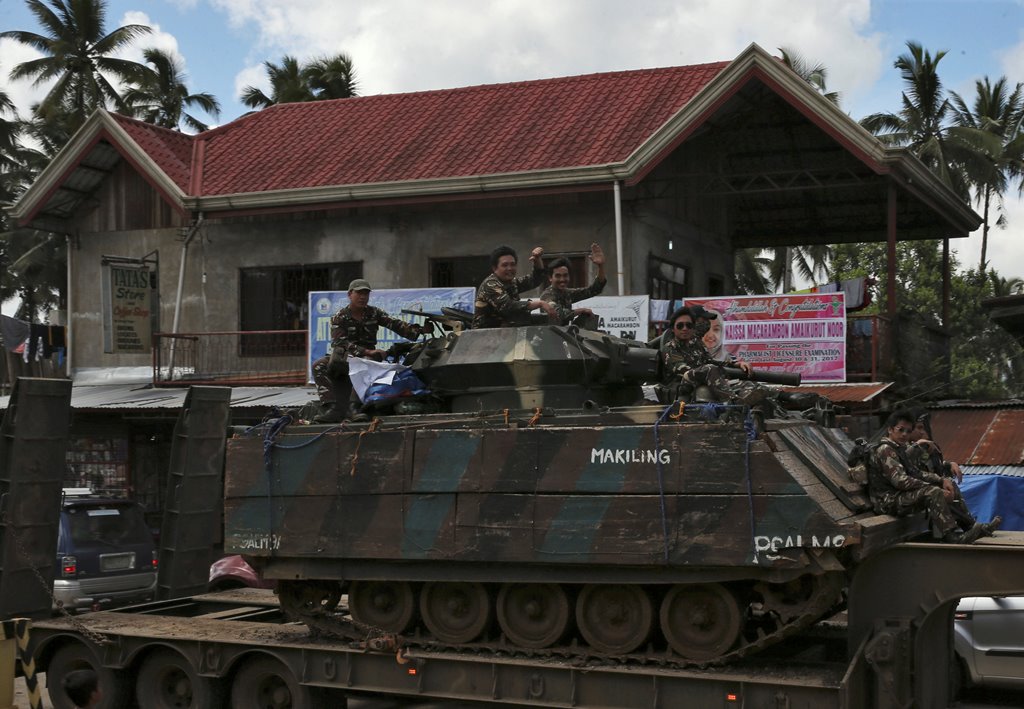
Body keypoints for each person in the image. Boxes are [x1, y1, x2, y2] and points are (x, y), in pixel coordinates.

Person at [866, 409, 999, 544]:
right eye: (900, 430)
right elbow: (901, 481)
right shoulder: (886, 450)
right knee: (933, 492)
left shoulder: (899, 448)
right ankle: (953, 536)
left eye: (908, 431)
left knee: (949, 484)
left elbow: (916, 473)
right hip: (889, 501)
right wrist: (936, 488)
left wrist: (942, 480)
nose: (904, 434)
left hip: (900, 496)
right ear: (890, 429)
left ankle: (970, 526)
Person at [311, 279, 424, 423]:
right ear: (350, 294)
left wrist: (419, 330)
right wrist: (366, 351)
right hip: (348, 356)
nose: (363, 297)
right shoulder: (340, 317)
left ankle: (354, 408)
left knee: (363, 365)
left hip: (369, 360)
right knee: (318, 365)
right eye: (359, 293)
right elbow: (340, 343)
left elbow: (395, 324)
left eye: (366, 293)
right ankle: (332, 408)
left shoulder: (374, 313)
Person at [905, 409, 996, 533]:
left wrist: (949, 465)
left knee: (950, 485)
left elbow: (930, 466)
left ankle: (971, 526)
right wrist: (917, 447)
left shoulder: (920, 447)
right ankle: (954, 533)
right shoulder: (902, 448)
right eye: (919, 428)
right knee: (939, 491)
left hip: (922, 488)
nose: (922, 432)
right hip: (909, 492)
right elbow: (909, 469)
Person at [660, 306, 755, 403]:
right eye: (680, 326)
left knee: (747, 385)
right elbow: (681, 370)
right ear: (673, 329)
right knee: (710, 369)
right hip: (681, 385)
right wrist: (711, 374)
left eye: (688, 325)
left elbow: (710, 361)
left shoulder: (697, 344)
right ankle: (731, 402)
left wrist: (735, 364)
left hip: (701, 377)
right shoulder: (670, 348)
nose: (685, 329)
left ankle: (747, 402)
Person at [472, 245, 556, 329]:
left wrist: (537, 260)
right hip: (483, 336)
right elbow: (509, 307)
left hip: (506, 333)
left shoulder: (512, 282)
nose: (510, 268)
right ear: (494, 268)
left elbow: (535, 280)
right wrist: (540, 303)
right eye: (505, 265)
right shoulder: (490, 284)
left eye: (513, 264)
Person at [538, 243, 607, 326]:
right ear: (550, 278)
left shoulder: (567, 293)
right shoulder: (547, 295)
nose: (562, 279)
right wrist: (581, 310)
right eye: (558, 276)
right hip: (549, 336)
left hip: (564, 335)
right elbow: (559, 314)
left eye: (565, 275)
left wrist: (601, 266)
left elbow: (594, 290)